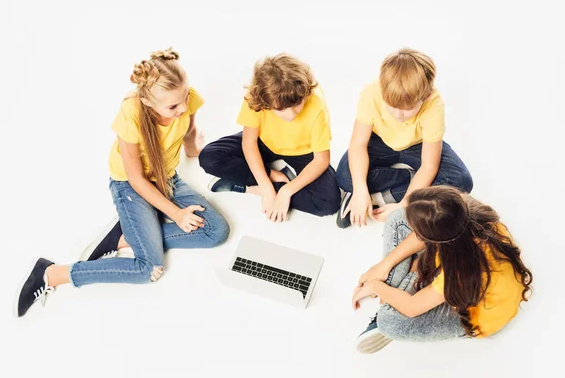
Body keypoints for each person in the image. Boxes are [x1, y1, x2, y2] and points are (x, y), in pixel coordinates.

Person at [14, 49, 230, 318]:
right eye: (173, 106)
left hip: (166, 178)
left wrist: (193, 151)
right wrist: (175, 213)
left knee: (216, 232)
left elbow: (189, 129)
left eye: (185, 98)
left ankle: (123, 238)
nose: (183, 108)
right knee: (147, 269)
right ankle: (52, 273)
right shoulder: (131, 116)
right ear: (149, 103)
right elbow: (136, 179)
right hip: (130, 187)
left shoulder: (186, 100)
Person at [352, 186, 533, 353]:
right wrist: (384, 265)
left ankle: (393, 299)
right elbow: (424, 231)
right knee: (398, 218)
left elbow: (411, 308)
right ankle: (398, 290)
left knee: (389, 322)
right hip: (459, 270)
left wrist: (375, 285)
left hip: (474, 314)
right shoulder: (468, 212)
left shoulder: (460, 270)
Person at [336, 48, 473, 228]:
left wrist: (404, 205)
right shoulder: (371, 92)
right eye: (391, 106)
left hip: (418, 144)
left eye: (408, 108)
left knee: (461, 182)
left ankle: (380, 197)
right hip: (379, 141)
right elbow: (358, 144)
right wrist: (360, 188)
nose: (398, 115)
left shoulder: (434, 104)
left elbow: (430, 164)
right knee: (345, 176)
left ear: (426, 96)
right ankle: (411, 180)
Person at [198, 54, 340, 222]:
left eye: (297, 104)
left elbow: (321, 160)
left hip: (303, 150)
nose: (291, 114)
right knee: (210, 157)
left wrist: (286, 192)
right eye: (281, 109)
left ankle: (250, 186)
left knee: (328, 203)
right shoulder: (256, 96)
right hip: (264, 142)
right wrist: (266, 185)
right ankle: (265, 181)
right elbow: (249, 143)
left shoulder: (316, 105)